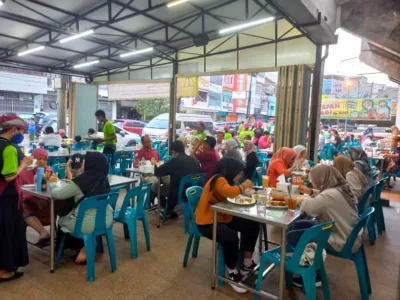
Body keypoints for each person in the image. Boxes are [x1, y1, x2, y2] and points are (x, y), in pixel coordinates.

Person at [195, 157, 258, 293]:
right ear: (231, 170)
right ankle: (232, 272)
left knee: (252, 224)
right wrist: (244, 186)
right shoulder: (218, 179)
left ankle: (247, 264)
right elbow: (230, 192)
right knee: (230, 237)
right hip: (207, 221)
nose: (240, 175)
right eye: (239, 172)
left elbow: (230, 194)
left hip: (223, 216)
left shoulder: (227, 181)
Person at [293, 165, 361, 287]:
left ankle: (313, 274)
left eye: (313, 180)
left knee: (294, 236)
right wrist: (311, 192)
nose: (312, 182)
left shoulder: (330, 195)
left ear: (321, 179)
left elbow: (310, 207)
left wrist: (299, 198)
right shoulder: (340, 188)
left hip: (341, 239)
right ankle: (308, 264)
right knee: (300, 225)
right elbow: (324, 196)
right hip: (348, 233)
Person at [48, 152, 112, 264]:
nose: (82, 163)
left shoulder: (80, 182)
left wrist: (53, 183)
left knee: (61, 218)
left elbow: (57, 194)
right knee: (80, 212)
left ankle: (67, 248)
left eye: (84, 162)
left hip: (85, 224)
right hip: (105, 220)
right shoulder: (105, 180)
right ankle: (85, 247)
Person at [0, 115, 33, 281]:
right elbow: (9, 176)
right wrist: (24, 164)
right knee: (10, 231)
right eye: (21, 131)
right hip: (7, 196)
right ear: (13, 129)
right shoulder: (10, 148)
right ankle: (6, 270)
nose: (22, 134)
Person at [154, 141, 201, 219]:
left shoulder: (175, 161)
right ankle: (171, 210)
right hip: (195, 191)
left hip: (180, 193)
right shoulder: (194, 160)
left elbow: (158, 172)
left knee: (157, 189)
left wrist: (154, 164)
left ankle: (168, 210)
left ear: (173, 151)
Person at [20, 148, 55, 247]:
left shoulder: (48, 171)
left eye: (45, 159)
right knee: (22, 206)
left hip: (47, 206)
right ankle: (43, 233)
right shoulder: (23, 172)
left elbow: (54, 188)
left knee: (61, 203)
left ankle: (61, 238)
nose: (42, 162)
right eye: (39, 159)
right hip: (32, 208)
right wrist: (34, 199)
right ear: (33, 159)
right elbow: (20, 193)